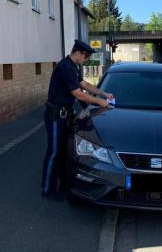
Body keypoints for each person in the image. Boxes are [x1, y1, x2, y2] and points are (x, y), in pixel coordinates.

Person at [41, 40, 115, 200]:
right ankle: (47, 189)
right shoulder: (64, 67)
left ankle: (60, 184)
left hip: (64, 115)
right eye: (86, 57)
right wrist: (100, 102)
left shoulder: (73, 67)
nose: (86, 60)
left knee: (62, 151)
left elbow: (84, 84)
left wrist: (103, 93)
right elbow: (78, 94)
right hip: (55, 116)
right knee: (54, 152)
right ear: (79, 53)